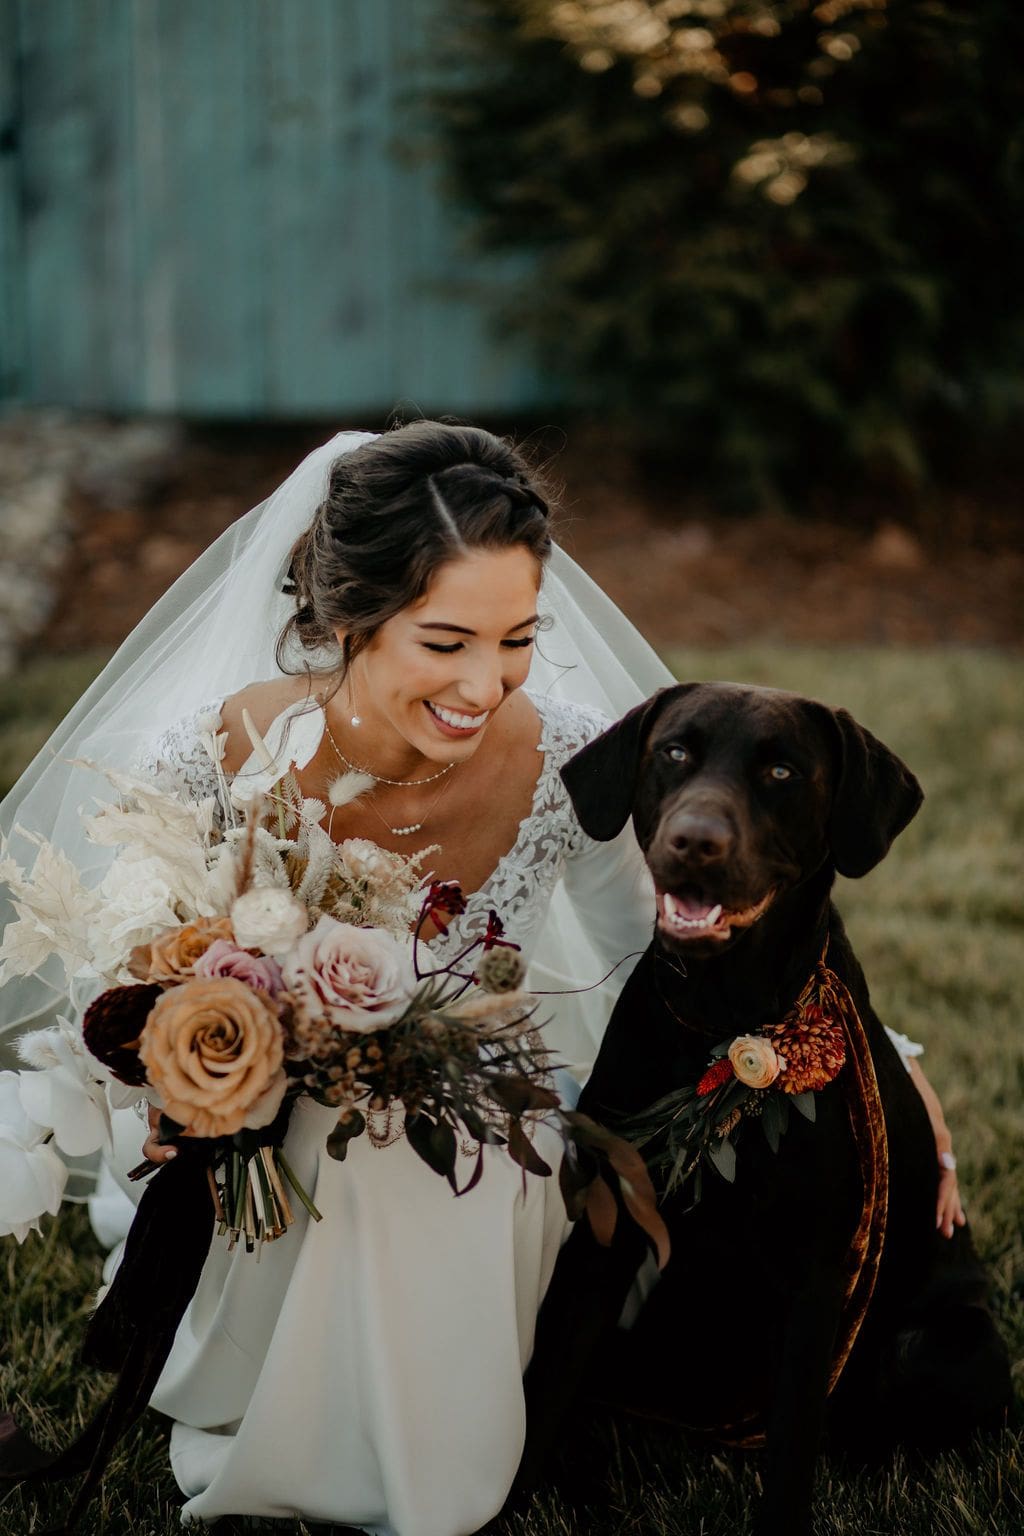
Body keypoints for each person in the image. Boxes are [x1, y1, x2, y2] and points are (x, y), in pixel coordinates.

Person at [0, 421, 962, 1535]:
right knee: (342, 1149)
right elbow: (121, 979)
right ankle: (291, 1443)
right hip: (251, 1118)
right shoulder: (219, 751)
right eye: (446, 640)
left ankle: (433, 1473)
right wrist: (182, 1076)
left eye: (517, 638)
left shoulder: (560, 757)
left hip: (490, 1104)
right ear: (348, 617)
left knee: (451, 1160)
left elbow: (669, 940)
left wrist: (884, 1071)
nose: (486, 683)